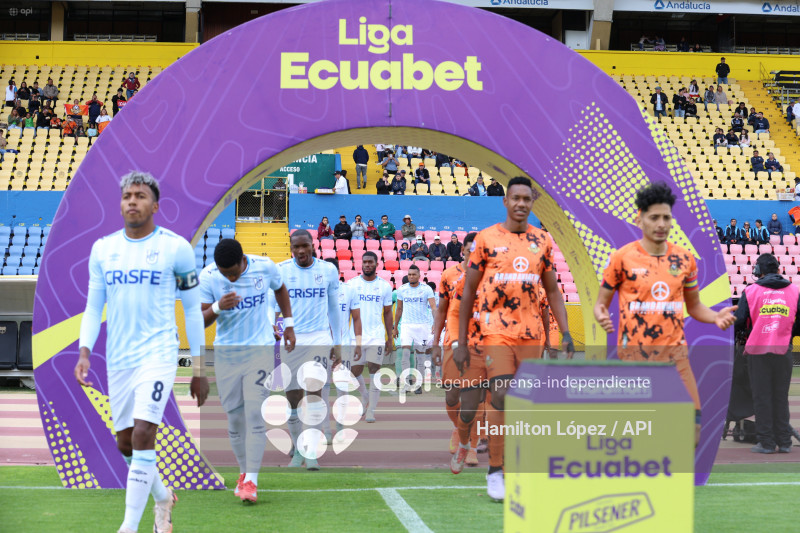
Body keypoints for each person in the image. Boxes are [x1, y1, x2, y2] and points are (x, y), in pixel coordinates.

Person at [74, 171, 207, 533]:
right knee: (126, 443)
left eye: (140, 196)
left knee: (145, 433)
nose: (132, 201)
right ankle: (163, 497)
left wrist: (199, 368)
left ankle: (128, 527)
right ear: (120, 204)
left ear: (155, 206)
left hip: (158, 354)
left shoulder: (176, 248)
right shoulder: (103, 249)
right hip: (119, 357)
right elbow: (93, 307)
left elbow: (192, 310)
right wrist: (84, 352)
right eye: (127, 196)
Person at [456, 176, 573, 500]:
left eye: (527, 198)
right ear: (505, 201)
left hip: (531, 333)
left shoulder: (542, 241)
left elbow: (552, 291)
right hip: (495, 330)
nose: (521, 203)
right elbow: (468, 291)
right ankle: (495, 470)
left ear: (532, 202)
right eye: (516, 198)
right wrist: (462, 342)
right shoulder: (486, 239)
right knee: (501, 393)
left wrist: (565, 333)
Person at [594, 182, 737, 447]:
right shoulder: (621, 258)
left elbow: (694, 306)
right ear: (640, 219)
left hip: (675, 358)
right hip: (635, 359)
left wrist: (715, 317)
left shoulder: (684, 260)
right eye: (654, 218)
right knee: (640, 435)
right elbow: (600, 304)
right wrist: (601, 314)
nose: (661, 224)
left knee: (692, 432)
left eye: (666, 218)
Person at [199, 238, 294, 503]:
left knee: (254, 413)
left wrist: (288, 324)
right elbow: (199, 320)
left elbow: (280, 288)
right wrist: (218, 307)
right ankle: (243, 472)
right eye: (225, 274)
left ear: (243, 261)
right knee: (234, 418)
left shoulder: (264, 266)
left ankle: (252, 480)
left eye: (233, 273)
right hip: (227, 355)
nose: (229, 278)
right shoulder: (208, 277)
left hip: (259, 351)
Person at [275, 230, 341, 470]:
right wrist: (272, 325)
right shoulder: (281, 270)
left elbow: (333, 308)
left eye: (305, 246)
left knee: (313, 392)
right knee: (293, 398)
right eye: (296, 247)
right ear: (291, 248)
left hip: (319, 337)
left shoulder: (328, 270)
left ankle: (310, 451)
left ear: (313, 245)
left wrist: (337, 341)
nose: (301, 251)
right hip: (292, 339)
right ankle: (297, 447)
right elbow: (271, 305)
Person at [734, 254, 800, 454]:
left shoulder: (750, 291)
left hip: (757, 350)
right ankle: (785, 442)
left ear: (758, 271)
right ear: (779, 270)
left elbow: (739, 321)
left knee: (762, 397)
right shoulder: (795, 290)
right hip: (784, 349)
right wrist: (787, 333)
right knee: (780, 396)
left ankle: (767, 443)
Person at [432, 232, 480, 468]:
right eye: (470, 250)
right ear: (463, 251)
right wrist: (435, 343)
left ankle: (472, 446)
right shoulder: (449, 275)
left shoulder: (491, 276)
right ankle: (457, 427)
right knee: (452, 395)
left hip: (482, 342)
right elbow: (443, 310)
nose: (474, 254)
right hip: (453, 340)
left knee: (477, 398)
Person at [345, 251, 393, 422]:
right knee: (354, 372)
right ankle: (365, 397)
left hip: (376, 336)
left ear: (376, 264)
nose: (367, 265)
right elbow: (345, 311)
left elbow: (388, 313)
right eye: (364, 262)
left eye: (370, 262)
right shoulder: (351, 285)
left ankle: (371, 410)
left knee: (374, 370)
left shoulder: (385, 286)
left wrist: (390, 337)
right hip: (355, 336)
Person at [325, 257, 364, 435]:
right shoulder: (317, 292)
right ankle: (326, 428)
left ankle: (340, 421)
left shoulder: (349, 290)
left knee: (342, 387)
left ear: (338, 272)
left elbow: (356, 318)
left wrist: (358, 343)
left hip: (344, 346)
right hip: (322, 345)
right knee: (321, 387)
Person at [394, 264, 437, 394]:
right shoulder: (402, 289)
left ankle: (418, 384)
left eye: (414, 274)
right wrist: (395, 327)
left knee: (420, 357)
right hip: (407, 326)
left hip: (422, 326)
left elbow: (433, 307)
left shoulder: (426, 289)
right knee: (405, 354)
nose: (411, 276)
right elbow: (399, 309)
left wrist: (435, 322)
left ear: (419, 276)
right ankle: (407, 383)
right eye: (409, 274)